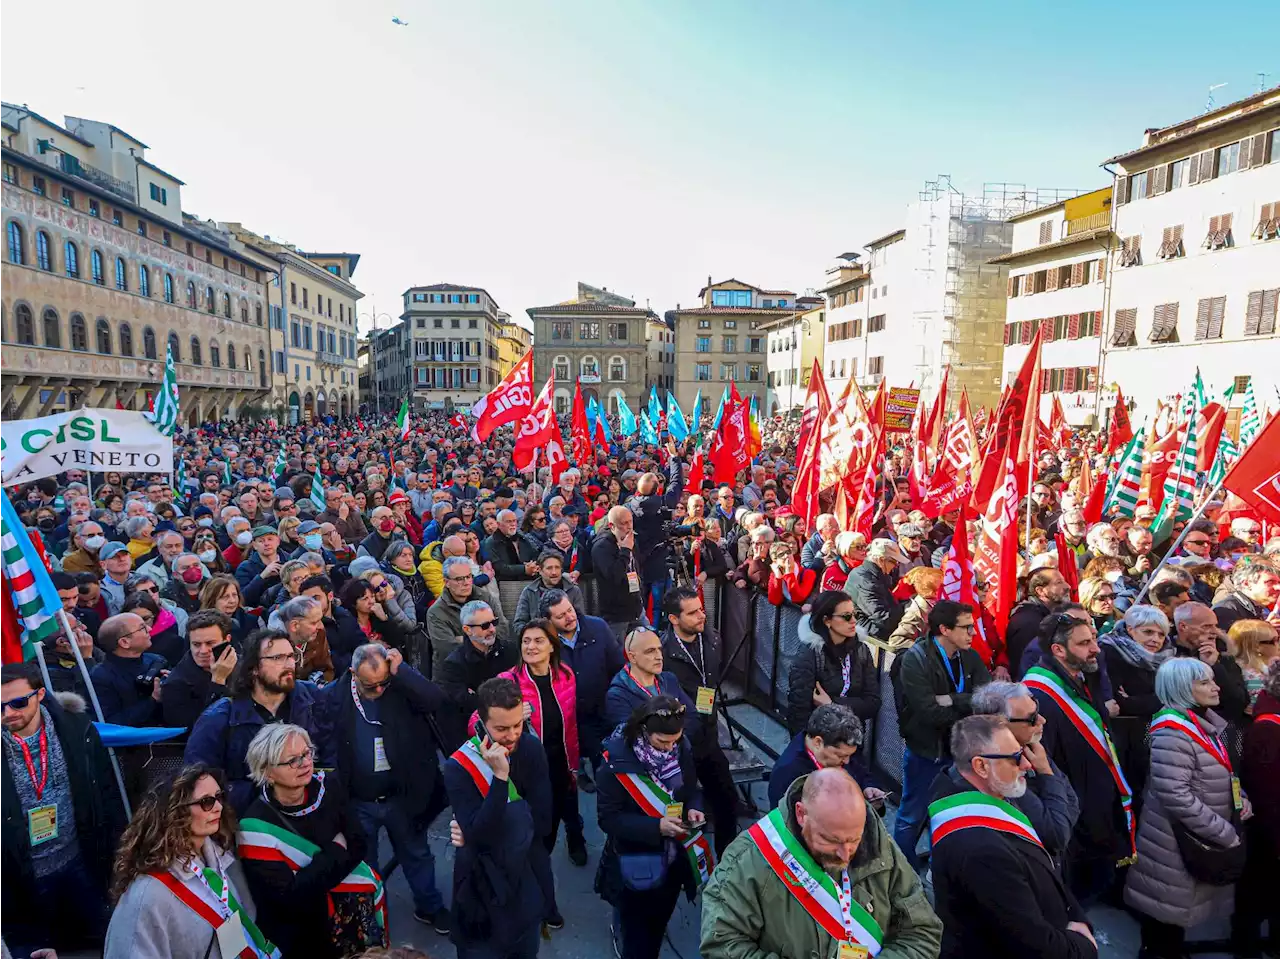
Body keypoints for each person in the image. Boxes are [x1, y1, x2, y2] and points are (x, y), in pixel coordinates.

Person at [701, 767, 942, 959]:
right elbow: (721, 943)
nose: (846, 854)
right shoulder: (746, 859)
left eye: (853, 840)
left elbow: (922, 932)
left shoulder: (880, 845)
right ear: (801, 814)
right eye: (831, 840)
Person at [927, 715, 1096, 959]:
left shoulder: (986, 790)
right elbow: (1030, 945)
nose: (1028, 764)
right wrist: (1084, 947)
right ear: (981, 766)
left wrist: (1075, 915)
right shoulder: (982, 852)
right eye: (1016, 758)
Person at [0, 660, 125, 956]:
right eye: (0, 706)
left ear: (40, 694)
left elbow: (106, 790)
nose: (7, 714)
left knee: (101, 945)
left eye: (18, 702)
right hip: (21, 879)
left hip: (80, 864)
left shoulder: (76, 728)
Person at [1125, 658, 1245, 959]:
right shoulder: (1173, 732)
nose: (1215, 687)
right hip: (1174, 843)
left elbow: (1218, 770)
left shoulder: (1200, 723)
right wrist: (1224, 832)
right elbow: (1175, 794)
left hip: (1188, 839)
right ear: (1181, 689)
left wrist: (1241, 798)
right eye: (1204, 682)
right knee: (1164, 920)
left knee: (1173, 918)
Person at [328, 643, 452, 934]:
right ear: (352, 674)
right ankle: (369, 917)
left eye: (384, 681)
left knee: (417, 854)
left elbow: (436, 701)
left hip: (402, 796)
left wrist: (403, 672)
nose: (379, 690)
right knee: (364, 862)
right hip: (359, 800)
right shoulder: (334, 696)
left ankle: (430, 907)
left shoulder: (401, 687)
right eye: (370, 685)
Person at [239, 723, 387, 958]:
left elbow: (358, 844)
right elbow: (289, 899)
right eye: (292, 760)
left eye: (306, 753)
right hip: (305, 935)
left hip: (352, 916)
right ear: (267, 771)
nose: (305, 763)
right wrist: (336, 851)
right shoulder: (255, 826)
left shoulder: (328, 787)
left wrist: (310, 876)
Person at [104, 765, 276, 959]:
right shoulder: (147, 894)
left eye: (218, 797)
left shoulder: (222, 859)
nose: (218, 807)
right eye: (206, 802)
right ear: (175, 811)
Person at [1025, 612, 1133, 903]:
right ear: (1059, 650)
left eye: (1094, 639)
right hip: (1075, 801)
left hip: (1096, 791)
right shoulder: (1038, 693)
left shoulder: (1085, 674)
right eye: (1085, 643)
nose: (1096, 648)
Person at [596, 696, 713, 959]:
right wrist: (656, 826)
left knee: (657, 927)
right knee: (637, 941)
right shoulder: (614, 763)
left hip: (674, 861)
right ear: (642, 730)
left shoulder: (680, 746)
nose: (669, 748)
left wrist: (694, 806)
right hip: (636, 862)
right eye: (662, 742)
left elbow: (691, 788)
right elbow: (609, 819)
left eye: (675, 740)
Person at [443, 677, 551, 959]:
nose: (513, 735)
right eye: (502, 728)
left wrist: (480, 829)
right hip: (480, 886)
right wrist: (500, 780)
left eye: (518, 725)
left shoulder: (531, 748)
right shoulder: (459, 767)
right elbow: (480, 836)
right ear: (481, 722)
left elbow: (542, 821)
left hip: (523, 876)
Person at [184, 629, 334, 811]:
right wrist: (269, 789)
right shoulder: (220, 717)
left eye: (290, 656)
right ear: (254, 668)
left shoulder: (312, 699)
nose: (288, 665)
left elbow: (332, 758)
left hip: (309, 812)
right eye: (277, 658)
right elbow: (198, 780)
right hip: (248, 821)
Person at [893, 598, 992, 872]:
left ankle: (941, 873)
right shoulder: (915, 659)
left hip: (960, 753)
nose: (973, 633)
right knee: (912, 816)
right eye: (967, 628)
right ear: (945, 630)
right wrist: (966, 710)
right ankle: (902, 870)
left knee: (950, 815)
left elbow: (987, 698)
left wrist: (952, 698)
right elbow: (929, 713)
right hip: (928, 752)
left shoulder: (969, 656)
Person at [500, 619, 584, 924]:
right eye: (525, 641)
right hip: (527, 773)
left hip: (562, 764)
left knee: (562, 815)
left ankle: (571, 844)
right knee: (538, 834)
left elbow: (571, 723)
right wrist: (510, 717)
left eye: (538, 641)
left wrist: (575, 762)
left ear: (552, 646)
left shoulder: (566, 675)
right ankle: (535, 894)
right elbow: (477, 722)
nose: (530, 647)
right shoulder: (507, 682)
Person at [659, 586, 739, 856]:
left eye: (701, 609)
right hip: (679, 743)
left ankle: (725, 863)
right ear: (674, 619)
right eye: (692, 613)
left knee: (728, 800)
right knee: (681, 809)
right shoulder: (663, 653)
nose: (701, 616)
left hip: (709, 737)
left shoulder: (712, 639)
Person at [968, 681, 1081, 863]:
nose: (1042, 720)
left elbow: (1073, 803)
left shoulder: (1029, 747)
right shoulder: (996, 771)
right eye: (1032, 718)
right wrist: (1045, 772)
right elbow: (1057, 835)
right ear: (1000, 724)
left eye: (1038, 711)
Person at [539, 588, 625, 776]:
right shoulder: (544, 641)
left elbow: (619, 667)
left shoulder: (598, 627)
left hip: (602, 714)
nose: (569, 617)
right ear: (549, 621)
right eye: (561, 616)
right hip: (567, 721)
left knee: (605, 770)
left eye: (569, 610)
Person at [1100, 605, 1173, 806]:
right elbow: (1119, 703)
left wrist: (1142, 700)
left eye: (1161, 634)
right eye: (1148, 632)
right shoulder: (1110, 652)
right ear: (1130, 629)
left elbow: (1171, 697)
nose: (1155, 640)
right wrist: (1155, 699)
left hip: (1154, 735)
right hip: (1124, 738)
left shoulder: (1166, 656)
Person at [785, 589, 880, 738]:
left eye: (855, 615)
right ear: (827, 621)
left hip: (850, 741)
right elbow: (799, 711)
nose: (854, 621)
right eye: (846, 616)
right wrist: (805, 750)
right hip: (819, 743)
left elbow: (873, 703)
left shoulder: (861, 650)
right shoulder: (810, 653)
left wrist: (832, 704)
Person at [1236, 658, 1280, 955]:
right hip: (1270, 828)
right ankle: (1247, 945)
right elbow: (1267, 790)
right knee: (1259, 888)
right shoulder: (1268, 727)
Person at [436, 600, 520, 751]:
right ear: (467, 630)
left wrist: (478, 695)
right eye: (485, 626)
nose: (492, 629)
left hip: (513, 730)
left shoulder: (510, 651)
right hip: (477, 739)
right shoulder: (454, 665)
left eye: (494, 622)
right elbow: (462, 706)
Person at [767, 703, 885, 809]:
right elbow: (786, 824)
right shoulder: (788, 773)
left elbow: (862, 773)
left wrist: (868, 787)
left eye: (850, 755)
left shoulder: (844, 747)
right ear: (818, 742)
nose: (847, 761)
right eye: (840, 756)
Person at [428, 556, 510, 679]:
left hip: (489, 667)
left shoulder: (486, 598)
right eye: (459, 579)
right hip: (454, 675)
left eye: (468, 576)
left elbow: (503, 629)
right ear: (446, 582)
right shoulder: (436, 612)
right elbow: (447, 649)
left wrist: (464, 638)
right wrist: (483, 638)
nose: (466, 582)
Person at [1172, 602, 1251, 726]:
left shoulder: (1223, 652)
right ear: (1183, 627)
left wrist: (1214, 665)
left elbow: (1240, 700)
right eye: (1206, 626)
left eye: (1215, 626)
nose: (1213, 631)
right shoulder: (1168, 655)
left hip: (1226, 728)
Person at [160, 609, 239, 730]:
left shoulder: (244, 666)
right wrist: (218, 681)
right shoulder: (175, 684)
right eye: (196, 644)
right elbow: (199, 730)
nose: (202, 651)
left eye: (210, 643)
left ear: (227, 640)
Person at [90, 611, 167, 727]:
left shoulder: (156, 661)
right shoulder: (101, 677)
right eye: (142, 628)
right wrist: (152, 700)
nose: (150, 629)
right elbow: (111, 723)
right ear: (124, 642)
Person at [1007, 568, 1072, 677]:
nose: (1068, 586)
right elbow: (1028, 667)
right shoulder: (1029, 622)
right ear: (1040, 591)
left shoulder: (1044, 616)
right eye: (1059, 582)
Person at [593, 505, 644, 640]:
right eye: (624, 523)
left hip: (636, 607)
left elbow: (637, 566)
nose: (629, 527)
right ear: (612, 526)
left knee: (646, 644)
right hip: (616, 614)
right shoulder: (601, 547)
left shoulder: (632, 539)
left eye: (630, 521)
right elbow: (614, 576)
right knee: (616, 653)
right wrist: (625, 551)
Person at [843, 538, 908, 642]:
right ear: (881, 560)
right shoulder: (866, 580)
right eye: (894, 562)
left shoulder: (877, 575)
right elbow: (883, 618)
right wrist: (907, 609)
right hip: (867, 637)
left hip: (875, 631)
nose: (896, 566)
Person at [511, 549, 585, 638]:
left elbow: (581, 620)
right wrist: (535, 636)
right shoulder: (529, 592)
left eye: (557, 567)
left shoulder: (573, 590)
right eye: (549, 568)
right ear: (540, 570)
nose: (554, 572)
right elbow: (519, 624)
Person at [1213, 561, 1280, 632]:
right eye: (1270, 582)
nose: (1278, 587)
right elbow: (1231, 640)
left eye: (1278, 582)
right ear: (1246, 584)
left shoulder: (1258, 607)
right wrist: (1265, 630)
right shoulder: (1226, 610)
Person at [888, 566, 944, 649]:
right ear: (933, 592)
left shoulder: (937, 605)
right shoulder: (916, 613)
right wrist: (927, 648)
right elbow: (896, 640)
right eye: (942, 586)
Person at [1228, 618, 1279, 710]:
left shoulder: (1269, 665)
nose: (1278, 644)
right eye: (1274, 641)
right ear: (1256, 647)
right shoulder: (1253, 676)